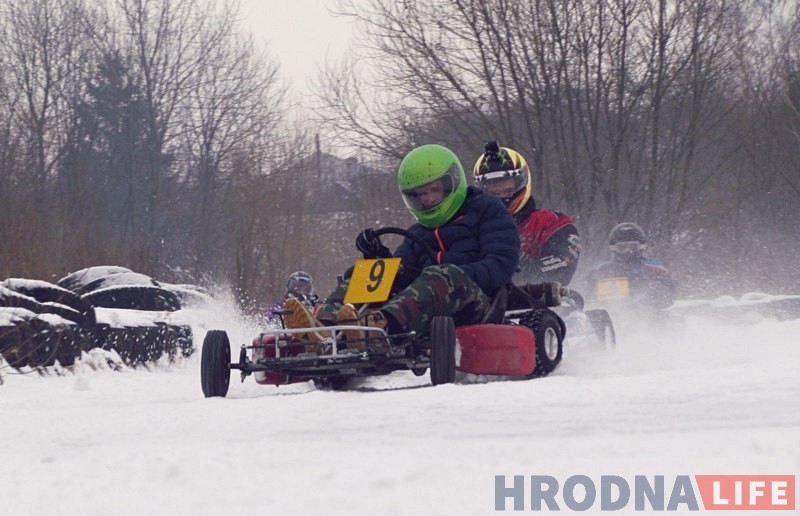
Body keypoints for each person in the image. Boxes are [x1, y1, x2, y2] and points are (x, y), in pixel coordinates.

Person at [282, 143, 520, 349]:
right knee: (363, 273)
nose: (427, 199)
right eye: (420, 194)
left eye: (433, 190)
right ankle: (324, 330)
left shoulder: (486, 210)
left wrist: (451, 274)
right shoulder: (418, 232)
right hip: (425, 308)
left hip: (476, 303)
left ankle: (378, 328)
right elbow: (401, 273)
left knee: (443, 273)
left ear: (452, 183)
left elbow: (501, 265)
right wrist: (377, 256)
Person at [473, 141, 580, 287]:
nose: (502, 198)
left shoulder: (551, 222)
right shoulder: (473, 228)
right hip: (485, 304)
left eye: (507, 191)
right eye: (494, 193)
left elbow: (563, 263)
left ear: (521, 185)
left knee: (569, 303)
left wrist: (517, 266)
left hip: (541, 300)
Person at [588, 222, 676, 310]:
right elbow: (590, 297)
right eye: (622, 247)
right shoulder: (603, 270)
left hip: (648, 313)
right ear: (613, 248)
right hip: (613, 313)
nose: (628, 251)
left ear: (641, 247)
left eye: (633, 247)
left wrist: (649, 291)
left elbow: (668, 296)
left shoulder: (653, 268)